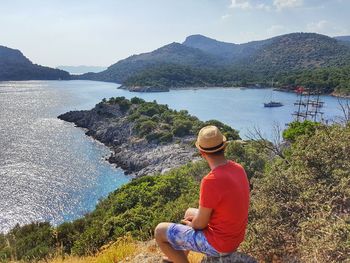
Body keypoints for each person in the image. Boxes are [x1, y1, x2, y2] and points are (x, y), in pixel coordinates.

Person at [155, 125, 250, 263]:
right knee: (189, 212)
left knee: (160, 231)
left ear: (201, 152)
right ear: (224, 146)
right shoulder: (238, 168)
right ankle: (179, 255)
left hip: (219, 245)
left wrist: (191, 225)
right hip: (235, 238)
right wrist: (193, 221)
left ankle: (179, 260)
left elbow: (200, 224)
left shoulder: (210, 181)